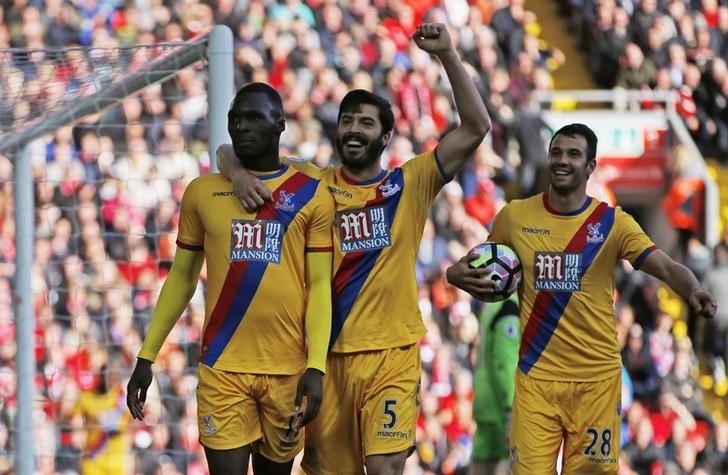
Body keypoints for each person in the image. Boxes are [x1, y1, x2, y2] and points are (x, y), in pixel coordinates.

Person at [218, 23, 491, 475]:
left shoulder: (410, 183)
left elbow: (477, 126)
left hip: (392, 354)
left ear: (385, 137)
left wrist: (446, 55)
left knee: (384, 468)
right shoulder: (310, 184)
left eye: (366, 122)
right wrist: (239, 177)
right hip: (325, 360)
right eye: (347, 120)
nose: (353, 129)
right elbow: (227, 152)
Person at [445, 123, 717, 474]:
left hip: (596, 382)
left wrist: (693, 288)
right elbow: (478, 262)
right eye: (557, 152)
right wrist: (454, 274)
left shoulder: (612, 223)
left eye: (574, 154)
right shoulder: (514, 217)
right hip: (536, 379)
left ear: (591, 166)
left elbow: (664, 265)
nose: (562, 160)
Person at [126, 82, 335, 475]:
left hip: (286, 368)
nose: (242, 126)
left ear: (280, 125)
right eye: (235, 119)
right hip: (222, 367)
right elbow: (182, 279)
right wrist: (147, 355)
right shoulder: (202, 192)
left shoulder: (311, 193)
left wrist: (316, 366)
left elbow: (320, 286)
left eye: (254, 118)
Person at [470, 294, 520, 475]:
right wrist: (511, 405)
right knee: (514, 464)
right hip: (501, 402)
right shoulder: (510, 306)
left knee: (482, 460)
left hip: (484, 398)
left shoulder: (492, 304)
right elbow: (505, 363)